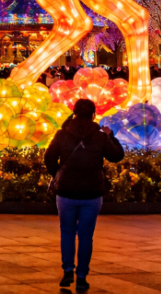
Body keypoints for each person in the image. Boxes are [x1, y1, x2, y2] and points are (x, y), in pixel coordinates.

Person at [44, 98, 125, 291]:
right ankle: (81, 276)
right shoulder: (99, 136)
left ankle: (67, 271)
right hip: (91, 192)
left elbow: (48, 157)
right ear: (93, 115)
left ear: (74, 113)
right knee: (86, 236)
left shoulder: (62, 134)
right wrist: (110, 136)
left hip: (66, 192)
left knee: (67, 232)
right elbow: (117, 156)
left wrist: (57, 174)